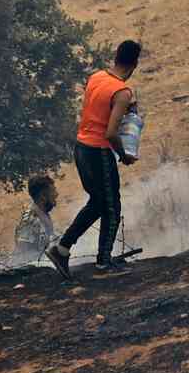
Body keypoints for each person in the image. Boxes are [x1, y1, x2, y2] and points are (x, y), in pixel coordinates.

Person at [46, 40, 141, 279]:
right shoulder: (122, 92)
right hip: (99, 152)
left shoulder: (97, 77)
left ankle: (62, 249)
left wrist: (127, 109)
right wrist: (124, 155)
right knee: (111, 205)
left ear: (116, 57)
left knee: (98, 202)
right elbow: (110, 133)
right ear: (135, 64)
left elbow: (98, 109)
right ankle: (103, 261)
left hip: (81, 148)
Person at [13, 175, 57, 263]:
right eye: (53, 191)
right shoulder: (30, 219)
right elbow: (22, 253)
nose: (56, 194)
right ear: (43, 196)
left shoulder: (43, 213)